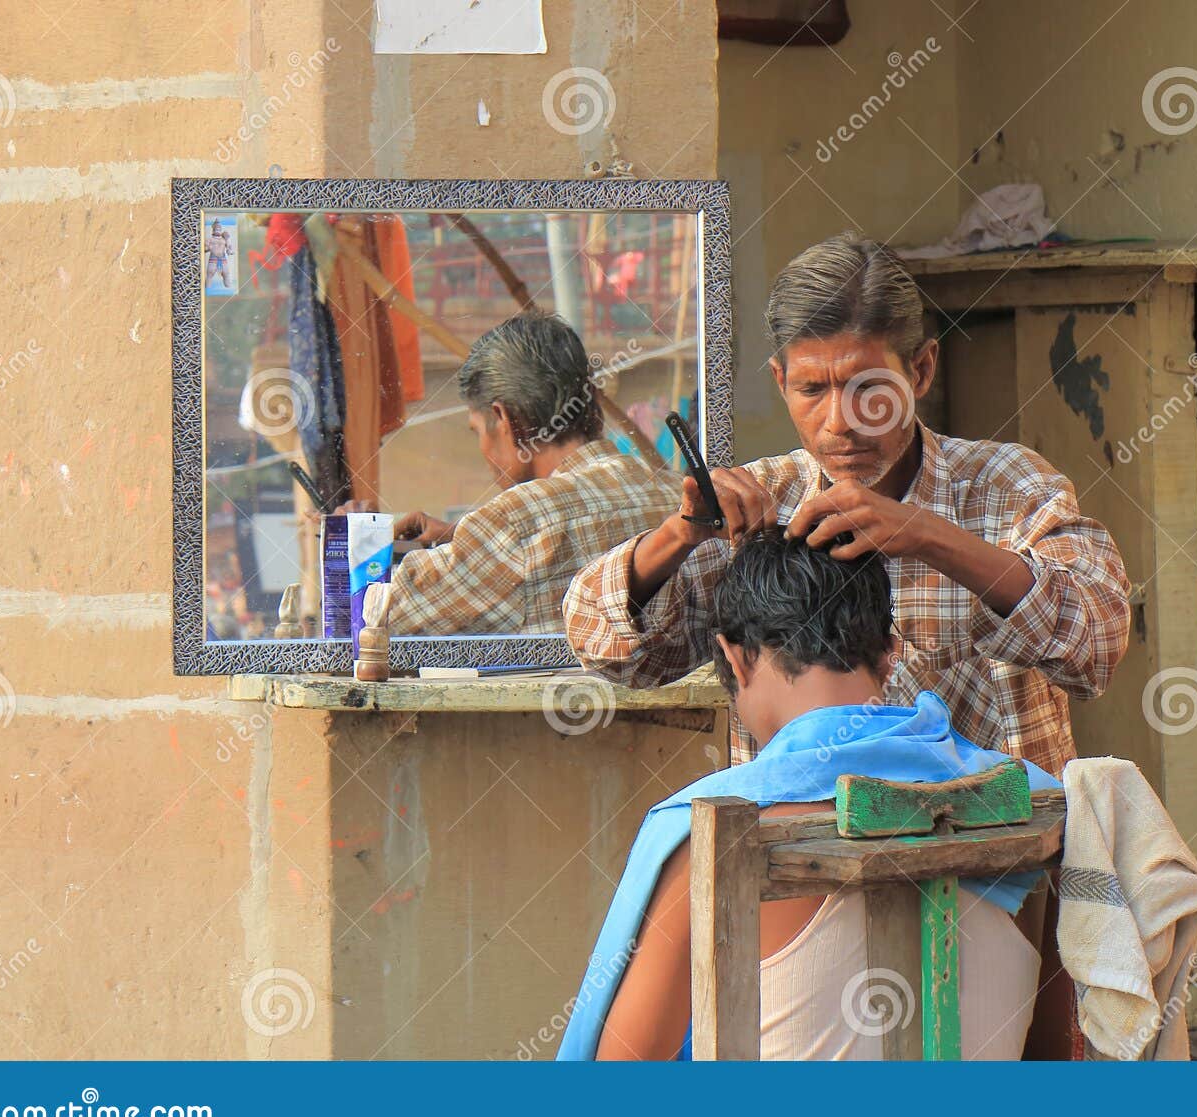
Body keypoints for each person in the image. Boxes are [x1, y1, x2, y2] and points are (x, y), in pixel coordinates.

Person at [564, 233, 1131, 774]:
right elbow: (605, 647)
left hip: (1000, 860)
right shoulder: (758, 510)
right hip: (803, 856)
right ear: (782, 380)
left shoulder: (1008, 486)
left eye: (868, 388)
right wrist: (679, 535)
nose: (839, 424)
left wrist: (929, 535)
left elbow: (1098, 645)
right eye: (812, 390)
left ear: (922, 370)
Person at [556, 531, 1059, 1060]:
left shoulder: (711, 830)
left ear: (735, 657)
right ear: (891, 652)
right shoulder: (1027, 802)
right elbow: (1051, 1050)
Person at [340, 312, 678, 634]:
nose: (483, 450)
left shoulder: (515, 524)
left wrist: (353, 544)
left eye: (477, 430)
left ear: (506, 421)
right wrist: (467, 537)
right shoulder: (679, 497)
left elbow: (369, 618)